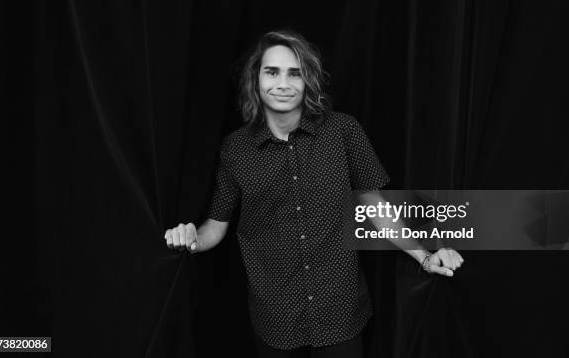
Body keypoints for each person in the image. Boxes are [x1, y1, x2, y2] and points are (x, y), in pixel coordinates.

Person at [164, 30, 464, 358]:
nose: (283, 83)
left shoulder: (344, 132)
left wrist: (424, 256)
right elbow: (216, 227)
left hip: (341, 312)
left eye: (295, 73)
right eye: (272, 71)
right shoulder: (236, 149)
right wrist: (191, 238)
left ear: (308, 80)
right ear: (255, 78)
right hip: (275, 317)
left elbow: (377, 211)